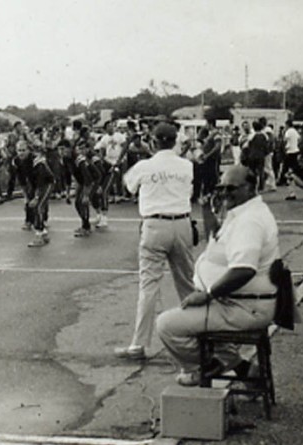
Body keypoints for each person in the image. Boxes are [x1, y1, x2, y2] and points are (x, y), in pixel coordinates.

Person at [156, 165, 279, 386]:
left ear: (251, 188)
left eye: (231, 188)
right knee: (203, 326)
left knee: (167, 325)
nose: (224, 193)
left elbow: (244, 269)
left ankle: (204, 369)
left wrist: (209, 294)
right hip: (241, 302)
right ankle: (241, 369)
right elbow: (218, 236)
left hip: (244, 307)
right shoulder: (243, 211)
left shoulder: (249, 221)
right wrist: (207, 212)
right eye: (221, 187)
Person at [116, 122, 195, 360]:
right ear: (175, 141)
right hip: (182, 222)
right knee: (187, 283)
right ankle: (198, 335)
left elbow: (128, 186)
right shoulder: (186, 165)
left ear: (154, 141)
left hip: (154, 224)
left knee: (148, 285)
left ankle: (138, 345)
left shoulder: (145, 165)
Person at [15, 140, 55, 247]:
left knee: (38, 206)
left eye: (23, 150)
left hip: (46, 183)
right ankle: (44, 233)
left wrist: (36, 197)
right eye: (19, 150)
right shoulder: (17, 161)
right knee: (31, 207)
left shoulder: (37, 161)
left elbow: (41, 181)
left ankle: (39, 236)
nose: (21, 153)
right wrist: (26, 197)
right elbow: (21, 180)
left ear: (29, 150)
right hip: (32, 183)